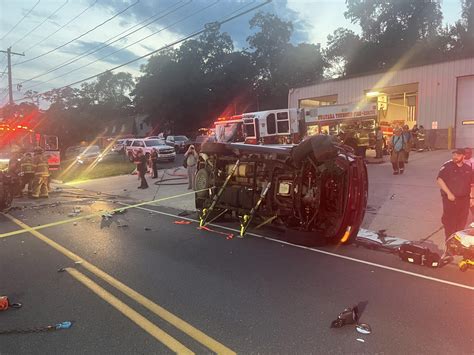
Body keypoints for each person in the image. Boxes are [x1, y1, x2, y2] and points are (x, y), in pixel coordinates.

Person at [436, 149, 474, 240]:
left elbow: (472, 184)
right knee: (450, 222)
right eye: (454, 155)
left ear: (463, 156)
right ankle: (449, 242)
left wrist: (472, 198)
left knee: (462, 221)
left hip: (464, 200)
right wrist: (449, 193)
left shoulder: (468, 168)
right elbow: (439, 180)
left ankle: (457, 242)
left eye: (458, 155)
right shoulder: (447, 166)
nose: (455, 157)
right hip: (450, 200)